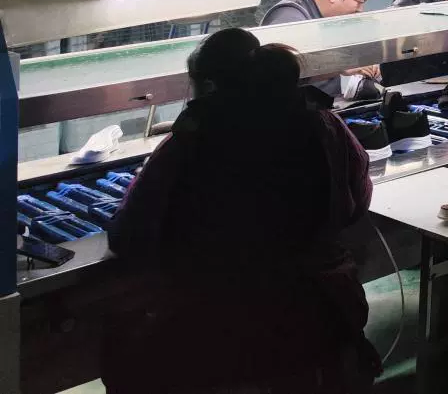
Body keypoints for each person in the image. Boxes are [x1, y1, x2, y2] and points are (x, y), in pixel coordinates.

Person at [104, 29, 378, 393]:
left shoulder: (189, 142)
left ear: (207, 85)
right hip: (320, 315)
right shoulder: (324, 125)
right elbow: (355, 202)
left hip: (219, 330)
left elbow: (129, 235)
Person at [262, 0, 383, 101]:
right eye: (360, 1)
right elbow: (284, 73)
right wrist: (341, 65)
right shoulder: (289, 18)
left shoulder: (332, 17)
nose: (360, 9)